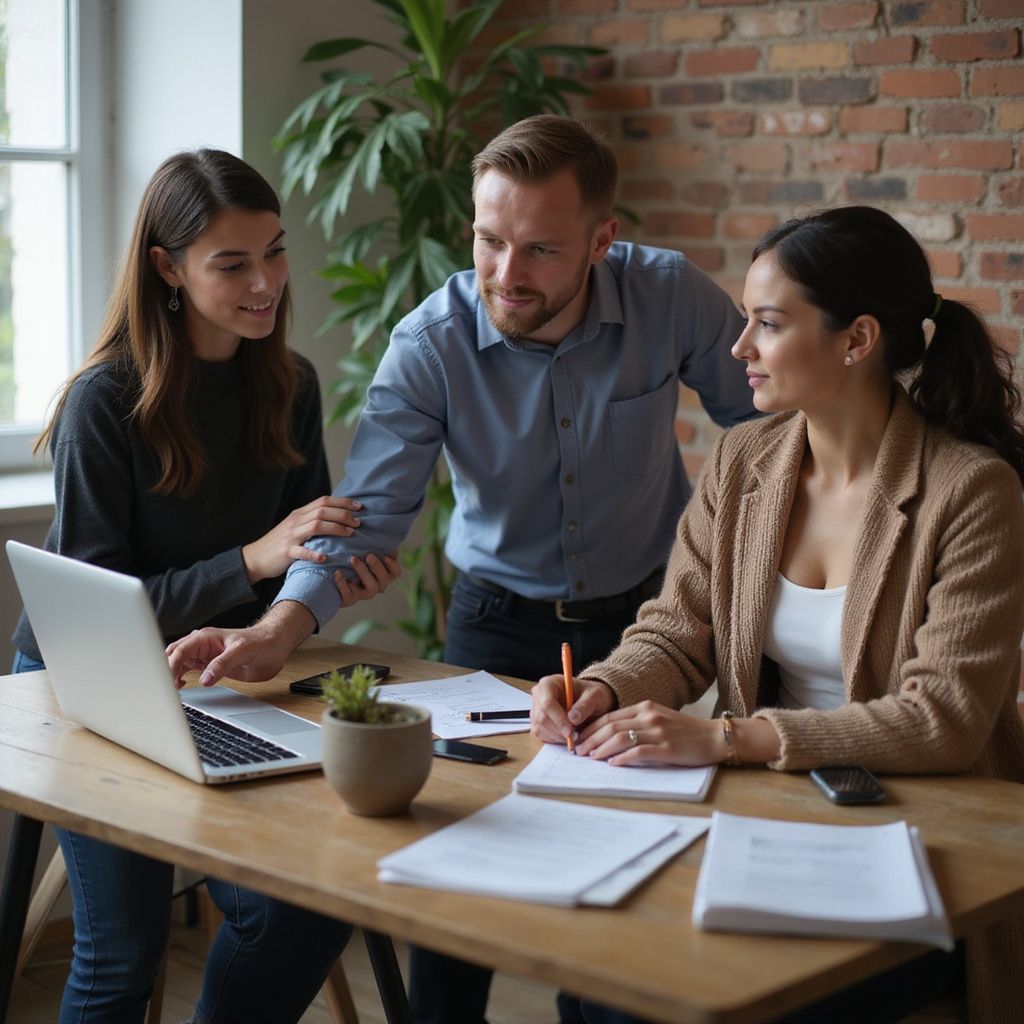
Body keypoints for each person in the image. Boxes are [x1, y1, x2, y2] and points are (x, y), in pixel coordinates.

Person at [165, 115, 757, 1024]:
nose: (506, 275)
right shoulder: (429, 342)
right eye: (488, 241)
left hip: (648, 632)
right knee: (462, 900)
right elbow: (367, 517)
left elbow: (766, 420)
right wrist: (277, 630)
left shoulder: (668, 297)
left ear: (603, 240)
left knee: (620, 898)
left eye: (540, 250)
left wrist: (745, 559)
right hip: (496, 628)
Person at [531, 206, 1024, 1024]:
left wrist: (731, 737)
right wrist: (605, 690)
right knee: (592, 979)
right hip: (766, 816)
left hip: (917, 839)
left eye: (767, 324)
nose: (739, 349)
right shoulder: (743, 459)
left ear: (857, 339)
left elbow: (947, 719)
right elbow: (676, 629)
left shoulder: (971, 492)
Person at [11, 148, 399, 1024]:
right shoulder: (102, 403)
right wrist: (255, 561)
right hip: (85, 693)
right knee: (123, 956)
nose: (266, 282)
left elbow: (304, 555)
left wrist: (330, 580)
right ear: (168, 268)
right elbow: (96, 616)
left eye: (274, 251)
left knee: (303, 910)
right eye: (232, 263)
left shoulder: (287, 384)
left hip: (218, 682)